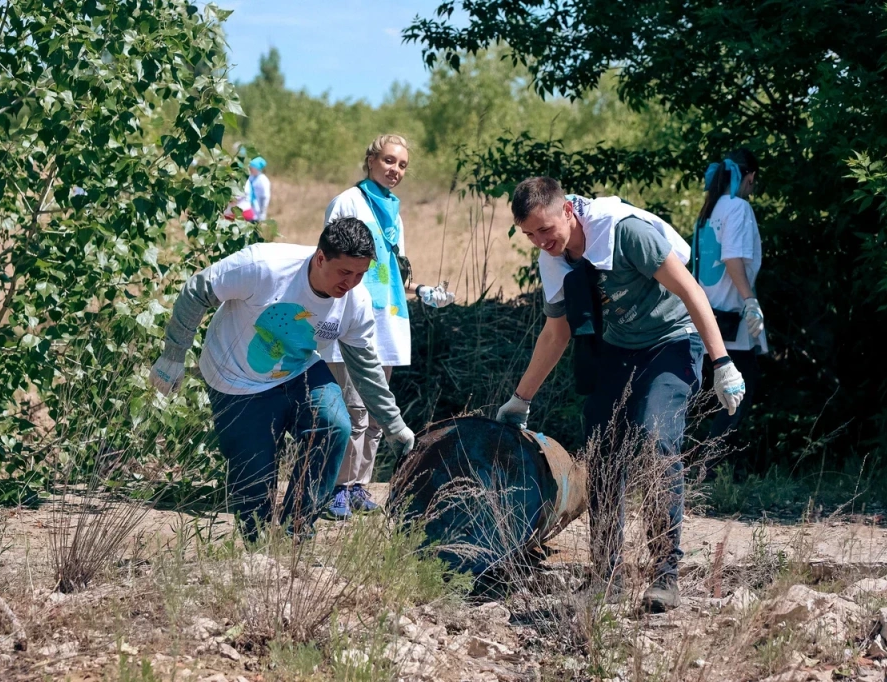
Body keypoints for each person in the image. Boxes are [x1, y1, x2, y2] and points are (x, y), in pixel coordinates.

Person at [494, 177, 745, 612]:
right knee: (603, 449)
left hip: (672, 340)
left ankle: (665, 575)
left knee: (655, 439)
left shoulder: (625, 232)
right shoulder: (553, 258)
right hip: (619, 348)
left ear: (568, 211)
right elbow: (556, 334)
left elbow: (690, 290)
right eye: (530, 234)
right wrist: (521, 399)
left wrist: (722, 362)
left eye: (545, 229)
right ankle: (605, 577)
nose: (541, 241)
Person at [148, 218, 416, 542]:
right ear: (321, 258)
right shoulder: (264, 266)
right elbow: (197, 290)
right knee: (254, 485)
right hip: (234, 380)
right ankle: (258, 549)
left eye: (360, 274)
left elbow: (366, 368)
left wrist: (393, 424)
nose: (352, 283)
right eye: (345, 272)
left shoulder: (355, 303)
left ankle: (296, 533)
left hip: (297, 370)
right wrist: (173, 355)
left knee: (334, 425)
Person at [320, 133, 455, 520]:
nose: (395, 169)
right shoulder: (348, 202)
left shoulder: (393, 212)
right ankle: (336, 488)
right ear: (371, 161)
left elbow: (395, 271)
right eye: (389, 160)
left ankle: (358, 486)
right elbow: (333, 260)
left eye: (402, 165)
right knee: (352, 409)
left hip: (389, 318)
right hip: (353, 317)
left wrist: (422, 290)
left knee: (377, 412)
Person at [693, 149, 766, 465]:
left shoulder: (710, 208)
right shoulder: (738, 207)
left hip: (704, 312)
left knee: (708, 394)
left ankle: (698, 465)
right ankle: (707, 469)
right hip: (730, 317)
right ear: (750, 176)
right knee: (739, 391)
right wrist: (750, 300)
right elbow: (732, 258)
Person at [245, 156, 272, 222]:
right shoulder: (250, 178)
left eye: (252, 167)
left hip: (257, 212)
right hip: (248, 210)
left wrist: (262, 212)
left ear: (257, 168)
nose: (250, 169)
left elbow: (265, 197)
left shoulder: (263, 180)